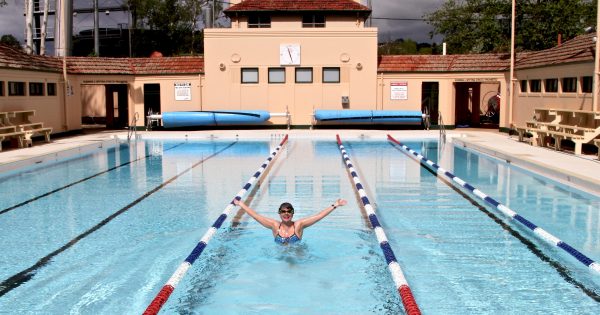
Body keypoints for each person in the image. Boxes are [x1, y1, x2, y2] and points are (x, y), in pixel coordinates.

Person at [233, 198, 347, 245]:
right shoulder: (274, 226)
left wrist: (335, 205)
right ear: (279, 213)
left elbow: (319, 216)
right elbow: (255, 216)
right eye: (283, 211)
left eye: (289, 211)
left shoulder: (299, 225)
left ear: (293, 213)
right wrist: (241, 204)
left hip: (299, 257)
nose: (286, 213)